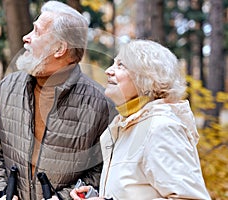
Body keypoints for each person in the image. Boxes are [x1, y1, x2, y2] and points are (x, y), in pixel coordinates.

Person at [0, 1, 117, 200]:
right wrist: (1, 194)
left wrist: (63, 198)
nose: (26, 38)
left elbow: (103, 168)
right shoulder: (8, 87)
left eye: (36, 31)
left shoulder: (101, 104)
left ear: (59, 48)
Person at [70, 39, 211, 200]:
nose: (108, 70)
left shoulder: (161, 128)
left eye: (121, 65)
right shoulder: (124, 127)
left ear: (147, 77)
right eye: (113, 63)